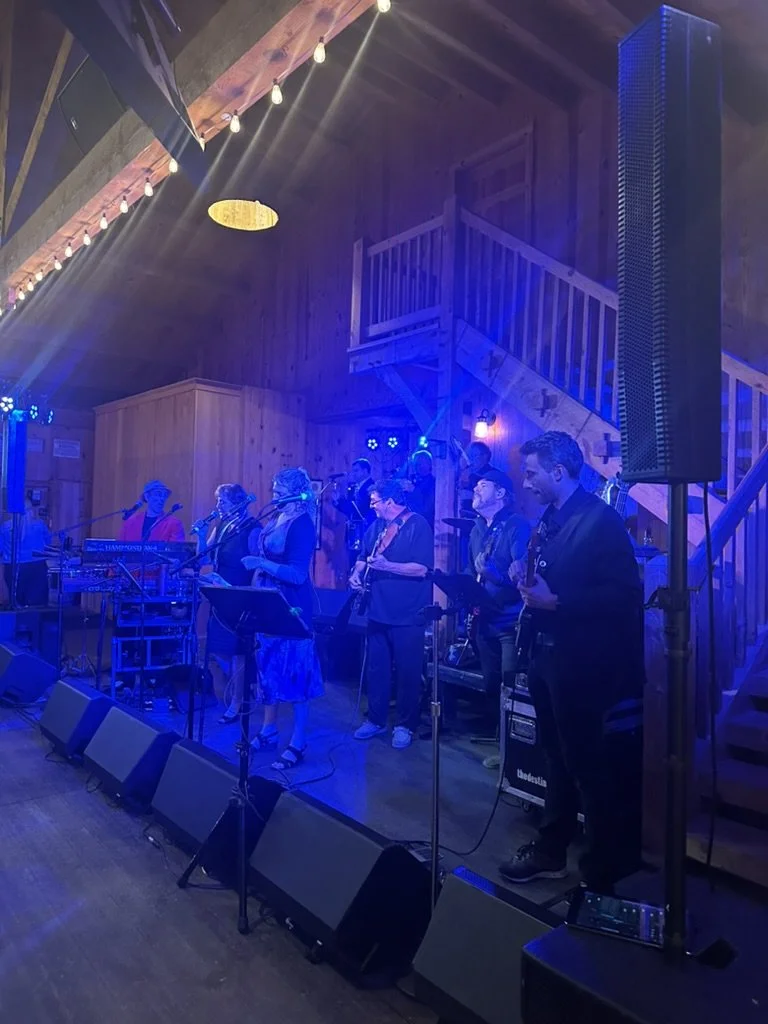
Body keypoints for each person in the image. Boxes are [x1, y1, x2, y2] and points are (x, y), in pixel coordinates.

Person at [500, 430, 644, 892]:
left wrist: (557, 601)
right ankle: (551, 851)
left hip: (583, 664)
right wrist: (524, 574)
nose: (526, 482)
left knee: (587, 766)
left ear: (558, 472)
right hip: (547, 658)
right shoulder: (549, 519)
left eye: (532, 473)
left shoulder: (601, 521)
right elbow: (552, 576)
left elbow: (625, 596)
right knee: (555, 758)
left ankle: (601, 874)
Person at [241, 467, 323, 770]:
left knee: (297, 674)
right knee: (268, 670)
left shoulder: (302, 525)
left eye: (279, 492)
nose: (274, 496)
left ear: (295, 493)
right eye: (274, 490)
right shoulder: (277, 517)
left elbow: (298, 574)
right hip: (267, 604)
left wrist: (260, 563)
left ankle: (298, 741)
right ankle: (269, 729)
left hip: (291, 607)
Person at [352, 478, 433, 749]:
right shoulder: (376, 526)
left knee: (408, 672)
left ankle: (404, 725)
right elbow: (363, 555)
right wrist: (356, 572)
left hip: (408, 613)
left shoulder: (418, 525)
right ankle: (375, 720)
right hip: (377, 610)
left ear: (389, 501)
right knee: (377, 670)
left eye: (375, 501)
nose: (372, 506)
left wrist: (387, 566)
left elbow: (422, 569)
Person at [468, 469, 531, 755]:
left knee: (510, 684)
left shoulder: (517, 525)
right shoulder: (476, 529)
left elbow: (524, 575)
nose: (475, 489)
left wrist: (497, 577)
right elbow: (472, 570)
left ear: (501, 492)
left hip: (509, 621)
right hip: (484, 620)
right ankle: (501, 745)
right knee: (492, 684)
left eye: (483, 485)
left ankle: (515, 754)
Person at [194, 484, 259, 724]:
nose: (218, 506)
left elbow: (257, 565)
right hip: (220, 595)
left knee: (238, 652)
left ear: (238, 502)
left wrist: (251, 594)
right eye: (218, 501)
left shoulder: (252, 528)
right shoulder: (222, 526)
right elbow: (204, 558)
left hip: (239, 596)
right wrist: (201, 536)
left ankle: (238, 701)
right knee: (219, 648)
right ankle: (243, 684)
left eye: (223, 501)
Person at [0, 498, 51, 606]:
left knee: (17, 605)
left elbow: (1, 548)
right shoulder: (39, 525)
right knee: (37, 606)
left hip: (13, 568)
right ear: (31, 510)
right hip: (37, 567)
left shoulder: (5, 527)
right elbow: (47, 542)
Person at [331, 458, 376, 565]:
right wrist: (338, 502)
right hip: (354, 531)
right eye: (353, 471)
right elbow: (351, 511)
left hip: (365, 531)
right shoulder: (354, 488)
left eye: (356, 470)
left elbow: (366, 509)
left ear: (365, 471)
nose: (353, 473)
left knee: (362, 561)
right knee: (353, 561)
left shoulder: (372, 487)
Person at [117, 479, 185, 542]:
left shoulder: (174, 523)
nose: (162, 499)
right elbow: (119, 547)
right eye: (158, 494)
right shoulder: (130, 522)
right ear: (147, 496)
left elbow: (176, 549)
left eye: (164, 495)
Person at [402, 449, 435, 527]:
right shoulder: (414, 481)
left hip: (424, 525)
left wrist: (413, 491)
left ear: (429, 464)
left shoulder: (432, 483)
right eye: (416, 464)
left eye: (420, 463)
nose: (418, 467)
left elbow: (426, 509)